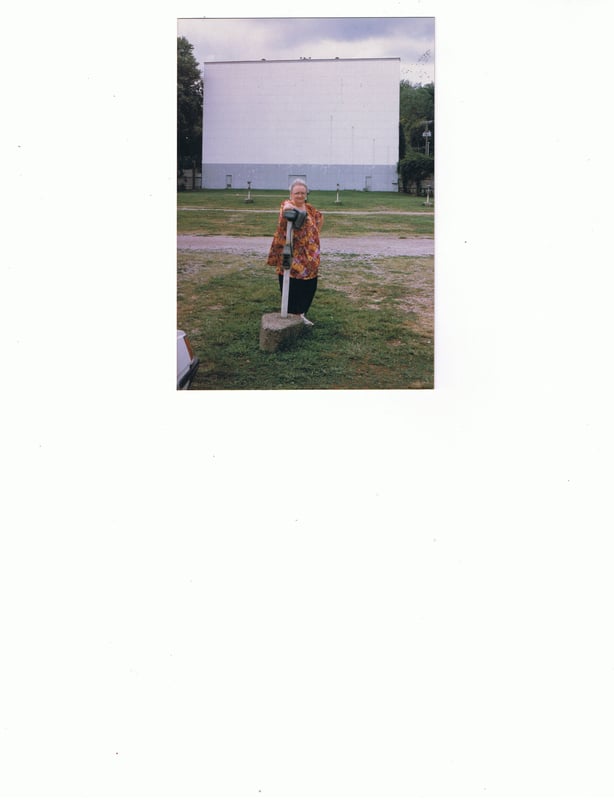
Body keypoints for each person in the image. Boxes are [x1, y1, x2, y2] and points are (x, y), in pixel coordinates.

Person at [267, 179, 323, 326]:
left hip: (310, 255)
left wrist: (314, 236)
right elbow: (286, 210)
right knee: (293, 284)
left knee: (310, 284)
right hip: (294, 253)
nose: (300, 196)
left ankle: (301, 313)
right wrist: (291, 207)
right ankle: (293, 315)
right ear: (291, 194)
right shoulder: (288, 206)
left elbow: (319, 217)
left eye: (303, 193)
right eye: (297, 193)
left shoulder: (309, 208)